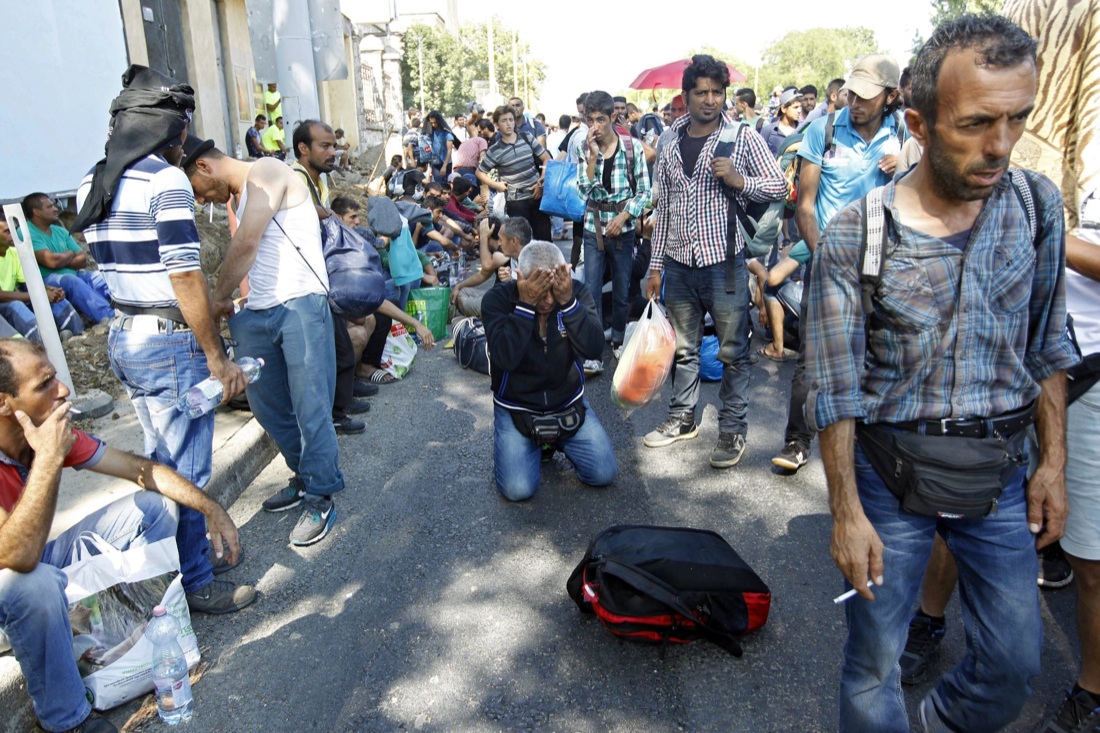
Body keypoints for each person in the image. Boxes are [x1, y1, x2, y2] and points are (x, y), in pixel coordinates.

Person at [804, 14, 1079, 731]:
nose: (1001, 145)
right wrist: (845, 512)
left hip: (1000, 477)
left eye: (1018, 118)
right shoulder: (857, 232)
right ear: (919, 125)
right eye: (977, 123)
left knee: (1014, 663)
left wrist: (1053, 463)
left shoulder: (1037, 208)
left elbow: (1048, 343)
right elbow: (832, 387)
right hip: (888, 479)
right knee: (874, 664)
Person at [72, 65, 255, 614]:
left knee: (160, 465)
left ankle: (169, 565)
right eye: (182, 131)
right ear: (171, 131)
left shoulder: (92, 181)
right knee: (186, 472)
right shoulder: (165, 181)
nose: (184, 142)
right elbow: (183, 276)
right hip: (169, 345)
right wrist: (216, 355)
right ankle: (193, 581)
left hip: (125, 338)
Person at [0, 339, 247, 733]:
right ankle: (66, 720)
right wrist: (48, 458)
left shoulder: (44, 435)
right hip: (14, 582)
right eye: (44, 384)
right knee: (35, 585)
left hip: (30, 560)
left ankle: (134, 637)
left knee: (154, 507)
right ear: (4, 404)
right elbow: (17, 557)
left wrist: (209, 507)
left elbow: (138, 469)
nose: (63, 390)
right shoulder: (46, 446)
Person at [182, 137, 346, 547]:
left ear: (204, 167)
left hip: (300, 304)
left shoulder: (268, 171)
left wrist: (216, 297)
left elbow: (247, 243)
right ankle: (303, 474)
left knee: (311, 407)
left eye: (196, 190)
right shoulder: (238, 196)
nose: (201, 201)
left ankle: (321, 494)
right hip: (257, 310)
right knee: (267, 407)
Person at [644, 54, 786, 469]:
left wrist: (741, 180)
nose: (710, 100)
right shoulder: (670, 139)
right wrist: (656, 267)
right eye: (702, 92)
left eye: (717, 92)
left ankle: (732, 429)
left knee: (733, 352)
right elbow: (665, 207)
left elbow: (779, 185)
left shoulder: (742, 137)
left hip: (724, 263)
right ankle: (683, 418)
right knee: (684, 349)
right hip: (678, 263)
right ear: (686, 96)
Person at [771, 54, 905, 475]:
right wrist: (823, 255)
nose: (855, 103)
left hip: (883, 264)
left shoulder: (903, 133)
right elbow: (805, 207)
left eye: (867, 96)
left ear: (890, 97)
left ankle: (870, 448)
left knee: (880, 357)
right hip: (827, 259)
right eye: (852, 94)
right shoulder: (823, 129)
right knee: (812, 359)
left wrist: (906, 165)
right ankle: (797, 442)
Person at [481, 241, 616, 501]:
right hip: (517, 406)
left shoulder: (574, 292)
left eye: (554, 289)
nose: (549, 300)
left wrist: (569, 304)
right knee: (518, 490)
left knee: (604, 473)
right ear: (521, 278)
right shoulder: (497, 300)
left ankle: (554, 441)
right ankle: (532, 444)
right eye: (540, 291)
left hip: (567, 402)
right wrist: (525, 306)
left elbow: (594, 348)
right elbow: (504, 357)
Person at [288, 120, 371, 435]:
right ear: (303, 148)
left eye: (334, 145)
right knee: (335, 350)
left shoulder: (317, 180)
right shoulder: (294, 178)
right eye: (325, 146)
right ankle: (334, 414)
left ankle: (341, 404)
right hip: (302, 284)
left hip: (320, 280)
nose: (333, 152)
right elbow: (302, 214)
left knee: (341, 348)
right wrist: (327, 214)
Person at [577, 91, 652, 374]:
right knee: (591, 291)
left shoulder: (631, 147)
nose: (595, 126)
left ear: (612, 117)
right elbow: (583, 190)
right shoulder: (585, 147)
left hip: (624, 228)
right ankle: (594, 351)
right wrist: (593, 157)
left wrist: (624, 215)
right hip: (593, 228)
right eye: (590, 120)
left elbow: (645, 192)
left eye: (600, 119)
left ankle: (619, 341)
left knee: (622, 290)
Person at [21, 194, 115, 325]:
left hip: (77, 275)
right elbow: (51, 261)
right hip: (47, 281)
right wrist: (70, 253)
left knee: (105, 276)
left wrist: (61, 259)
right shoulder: (25, 232)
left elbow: (82, 259)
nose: (55, 209)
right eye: (49, 207)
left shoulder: (60, 230)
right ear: (36, 212)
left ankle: (132, 311)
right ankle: (110, 318)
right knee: (70, 280)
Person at [0, 213, 82, 341]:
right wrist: (39, 295)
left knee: (53, 297)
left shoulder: (14, 252)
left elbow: (29, 283)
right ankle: (42, 342)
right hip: (4, 304)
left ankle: (77, 335)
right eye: (7, 231)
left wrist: (48, 290)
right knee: (16, 305)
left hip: (9, 300)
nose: (13, 234)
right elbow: (1, 296)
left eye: (14, 230)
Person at [477, 105, 552, 241]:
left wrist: (541, 181)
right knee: (521, 242)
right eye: (504, 120)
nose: (508, 124)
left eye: (511, 120)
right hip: (516, 202)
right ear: (497, 125)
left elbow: (546, 159)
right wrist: (496, 185)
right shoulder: (495, 150)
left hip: (537, 196)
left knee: (545, 240)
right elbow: (480, 172)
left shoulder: (527, 137)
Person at [759, 88, 802, 156]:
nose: (799, 110)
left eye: (800, 107)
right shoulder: (768, 131)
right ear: (783, 108)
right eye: (795, 107)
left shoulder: (802, 130)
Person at [452, 119, 493, 186]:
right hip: (469, 170)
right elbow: (482, 159)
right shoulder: (482, 140)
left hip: (456, 171)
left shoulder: (465, 142)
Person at [423, 110, 457, 184]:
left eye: (435, 122)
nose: (433, 125)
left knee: (445, 185)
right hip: (435, 163)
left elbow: (449, 151)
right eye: (431, 123)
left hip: (446, 163)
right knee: (437, 184)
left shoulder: (447, 133)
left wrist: (444, 166)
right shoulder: (431, 132)